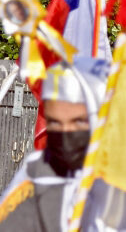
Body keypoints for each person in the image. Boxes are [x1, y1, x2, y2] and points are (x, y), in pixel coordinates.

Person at [0, 59, 106, 230]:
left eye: (78, 122)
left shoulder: (120, 178)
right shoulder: (35, 170)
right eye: (56, 123)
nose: (66, 134)